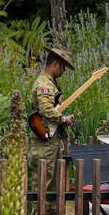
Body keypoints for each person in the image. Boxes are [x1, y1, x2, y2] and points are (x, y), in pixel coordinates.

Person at [27, 45, 75, 183]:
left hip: (50, 141)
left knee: (53, 182)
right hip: (44, 144)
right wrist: (63, 119)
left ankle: (51, 206)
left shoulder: (51, 83)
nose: (64, 70)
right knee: (43, 183)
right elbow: (46, 110)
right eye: (63, 67)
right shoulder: (45, 85)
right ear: (55, 64)